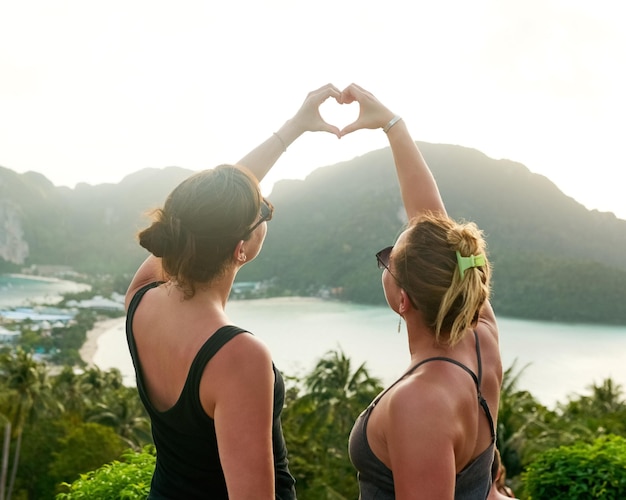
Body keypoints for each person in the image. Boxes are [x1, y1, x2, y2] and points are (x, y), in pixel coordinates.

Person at [124, 84, 342, 499]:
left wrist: (293, 128)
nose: (265, 210)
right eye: (262, 210)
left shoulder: (140, 300)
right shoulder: (238, 357)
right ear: (241, 248)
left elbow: (207, 205)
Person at [343, 83, 503, 499]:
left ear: (403, 299)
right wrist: (393, 126)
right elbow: (432, 225)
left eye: (387, 260)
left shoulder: (421, 403)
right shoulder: (481, 339)